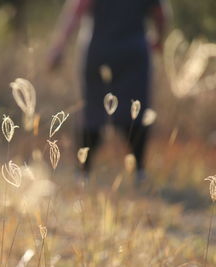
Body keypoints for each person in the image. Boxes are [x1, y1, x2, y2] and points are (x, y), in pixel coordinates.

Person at [48, 0, 167, 184]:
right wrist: (159, 39)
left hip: (98, 52)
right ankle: (139, 171)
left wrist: (59, 46)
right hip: (133, 54)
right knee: (134, 113)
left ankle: (83, 172)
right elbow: (160, 14)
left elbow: (77, 9)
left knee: (92, 112)